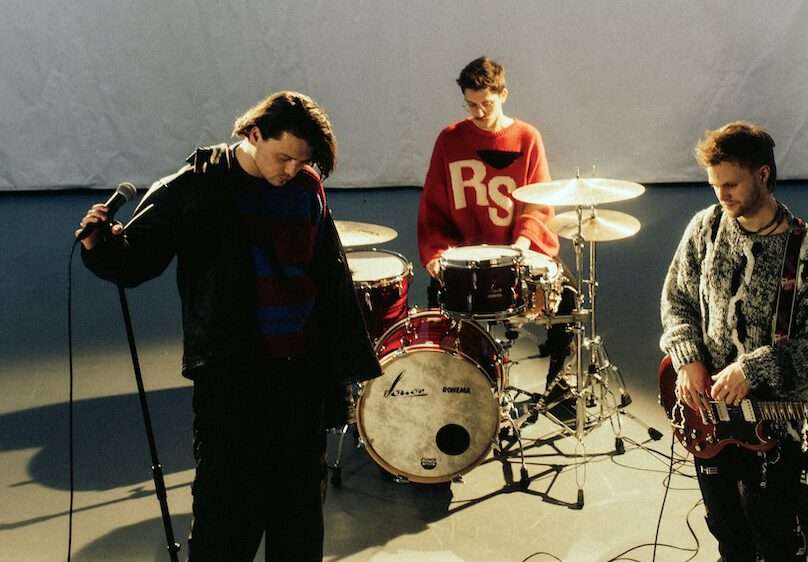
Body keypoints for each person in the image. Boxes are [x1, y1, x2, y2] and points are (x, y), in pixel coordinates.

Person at [76, 91, 381, 562]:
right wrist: (100, 247)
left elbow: (328, 277)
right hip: (233, 379)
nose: (291, 170)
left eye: (302, 162)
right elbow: (137, 259)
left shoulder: (307, 188)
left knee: (299, 520)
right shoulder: (199, 185)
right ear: (255, 134)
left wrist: (335, 375)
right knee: (225, 520)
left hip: (300, 377)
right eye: (284, 158)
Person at [660, 121, 808, 561]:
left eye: (731, 184)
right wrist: (687, 359)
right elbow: (677, 300)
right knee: (728, 535)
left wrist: (752, 369)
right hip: (708, 420)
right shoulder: (704, 228)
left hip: (772, 427)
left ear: (763, 174)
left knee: (775, 539)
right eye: (714, 185)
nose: (721, 195)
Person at [417, 56, 573, 398]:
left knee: (568, 300)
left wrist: (523, 244)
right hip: (467, 258)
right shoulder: (449, 139)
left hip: (517, 252)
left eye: (486, 103)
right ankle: (460, 387)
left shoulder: (527, 137)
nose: (478, 112)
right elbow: (433, 207)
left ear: (503, 95)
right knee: (440, 300)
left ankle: (558, 385)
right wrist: (436, 254)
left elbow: (539, 201)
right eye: (470, 105)